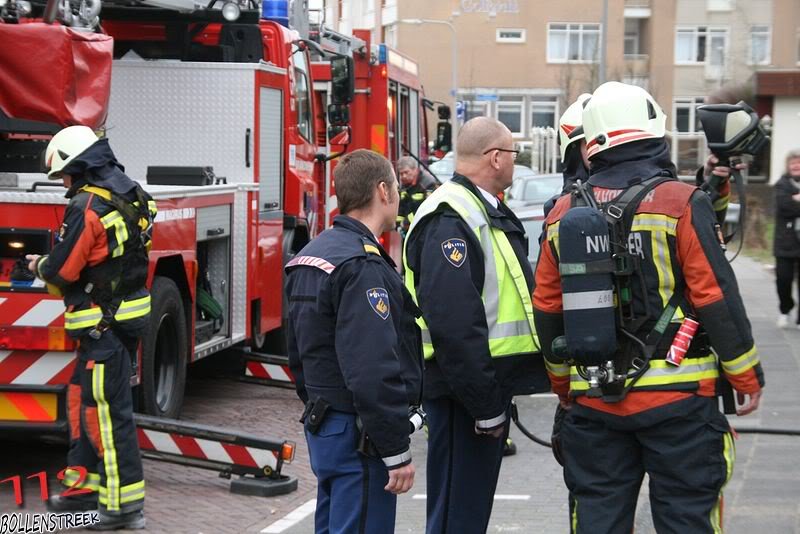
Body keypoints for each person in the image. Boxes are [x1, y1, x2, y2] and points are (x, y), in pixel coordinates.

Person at [534, 82, 764, 533]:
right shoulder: (680, 203)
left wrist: (564, 387)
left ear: (591, 143)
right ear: (655, 133)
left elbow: (547, 308)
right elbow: (714, 295)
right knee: (686, 520)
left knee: (597, 519)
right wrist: (745, 376)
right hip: (680, 405)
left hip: (594, 403)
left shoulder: (561, 214)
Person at [404, 117, 549, 534]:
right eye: (514, 153)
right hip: (463, 396)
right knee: (458, 514)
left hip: (479, 390)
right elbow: (454, 323)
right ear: (496, 157)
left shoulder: (478, 210)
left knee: (467, 510)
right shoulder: (451, 217)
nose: (515, 162)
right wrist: (485, 405)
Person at [285, 149, 422, 533]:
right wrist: (394, 448)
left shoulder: (309, 256)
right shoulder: (361, 265)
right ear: (383, 190)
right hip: (359, 435)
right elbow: (372, 367)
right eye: (395, 186)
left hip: (326, 425)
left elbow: (298, 353)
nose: (396, 195)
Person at [28, 126, 156, 530]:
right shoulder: (129, 192)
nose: (64, 183)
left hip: (103, 326)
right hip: (118, 322)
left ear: (78, 165)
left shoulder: (86, 206)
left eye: (64, 174)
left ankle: (122, 508)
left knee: (107, 415)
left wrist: (37, 266)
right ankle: (81, 488)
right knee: (82, 401)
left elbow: (63, 269)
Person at [773, 149, 800, 328]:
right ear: (788, 166)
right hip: (785, 241)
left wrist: (796, 200)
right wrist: (793, 201)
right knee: (783, 279)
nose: (796, 166)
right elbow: (784, 207)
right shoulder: (782, 184)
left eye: (799, 163)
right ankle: (785, 309)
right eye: (793, 163)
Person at [396, 156, 435, 233]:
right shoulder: (405, 186)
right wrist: (397, 224)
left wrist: (405, 222)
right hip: (409, 229)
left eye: (406, 172)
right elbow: (401, 207)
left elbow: (426, 209)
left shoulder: (428, 184)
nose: (403, 176)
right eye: (401, 174)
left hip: (425, 229)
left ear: (415, 170)